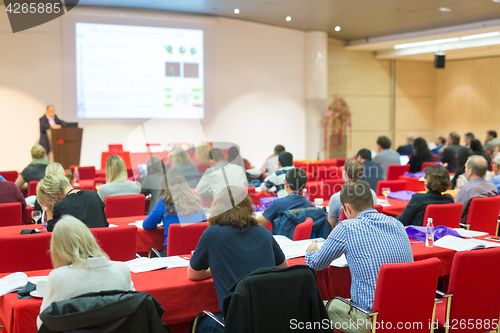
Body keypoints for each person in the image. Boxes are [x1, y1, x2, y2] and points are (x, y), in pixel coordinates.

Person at [305, 180, 413, 333]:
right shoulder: (397, 224)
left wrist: (311, 251)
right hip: (408, 314)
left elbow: (316, 263)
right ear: (372, 202)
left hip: (370, 318)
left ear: (346, 208)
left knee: (313, 307)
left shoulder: (346, 227)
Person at [188, 186, 287, 332]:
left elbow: (194, 274)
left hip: (236, 323)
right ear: (248, 207)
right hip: (270, 319)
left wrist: (215, 268)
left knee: (195, 323)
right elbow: (283, 267)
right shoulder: (263, 231)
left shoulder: (212, 234)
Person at [37, 215, 134, 329]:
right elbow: (134, 312)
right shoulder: (122, 270)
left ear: (57, 249)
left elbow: (43, 325)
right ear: (90, 238)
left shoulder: (58, 278)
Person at [143, 172, 206, 253]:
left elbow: (147, 225)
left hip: (172, 253)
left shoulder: (164, 201)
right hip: (196, 253)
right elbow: (204, 224)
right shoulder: (196, 200)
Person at [36, 174, 109, 231]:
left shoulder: (61, 206)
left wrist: (49, 208)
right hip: (101, 245)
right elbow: (105, 224)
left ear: (54, 194)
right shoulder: (93, 195)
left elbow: (53, 232)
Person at [328, 159, 377, 229]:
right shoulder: (372, 193)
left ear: (345, 173)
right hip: (369, 231)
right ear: (362, 174)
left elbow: (330, 226)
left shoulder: (336, 197)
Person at [455, 155, 498, 224]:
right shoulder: (493, 188)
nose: (465, 169)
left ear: (470, 171)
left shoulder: (467, 189)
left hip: (467, 229)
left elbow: (455, 212)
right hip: (489, 226)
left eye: (466, 167)